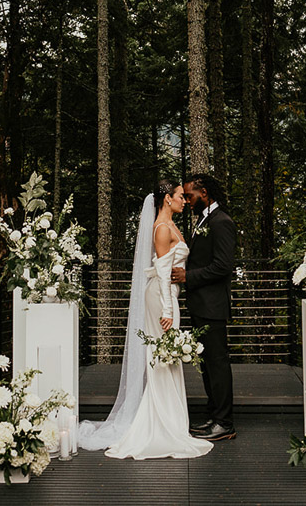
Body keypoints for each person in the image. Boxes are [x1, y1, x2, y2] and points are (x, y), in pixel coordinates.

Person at [102, 180, 213, 460]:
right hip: (161, 298)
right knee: (162, 357)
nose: (184, 200)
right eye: (179, 196)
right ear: (167, 199)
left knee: (168, 358)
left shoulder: (171, 225)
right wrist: (167, 309)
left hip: (167, 296)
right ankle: (162, 425)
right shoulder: (162, 229)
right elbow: (163, 273)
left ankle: (173, 423)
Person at [172, 172, 237, 441]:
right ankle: (214, 417)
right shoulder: (204, 220)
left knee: (217, 364)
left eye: (190, 195)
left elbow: (223, 266)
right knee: (208, 365)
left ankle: (225, 423)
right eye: (184, 196)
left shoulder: (222, 221)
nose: (187, 200)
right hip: (200, 304)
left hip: (212, 305)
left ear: (205, 194)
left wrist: (189, 277)